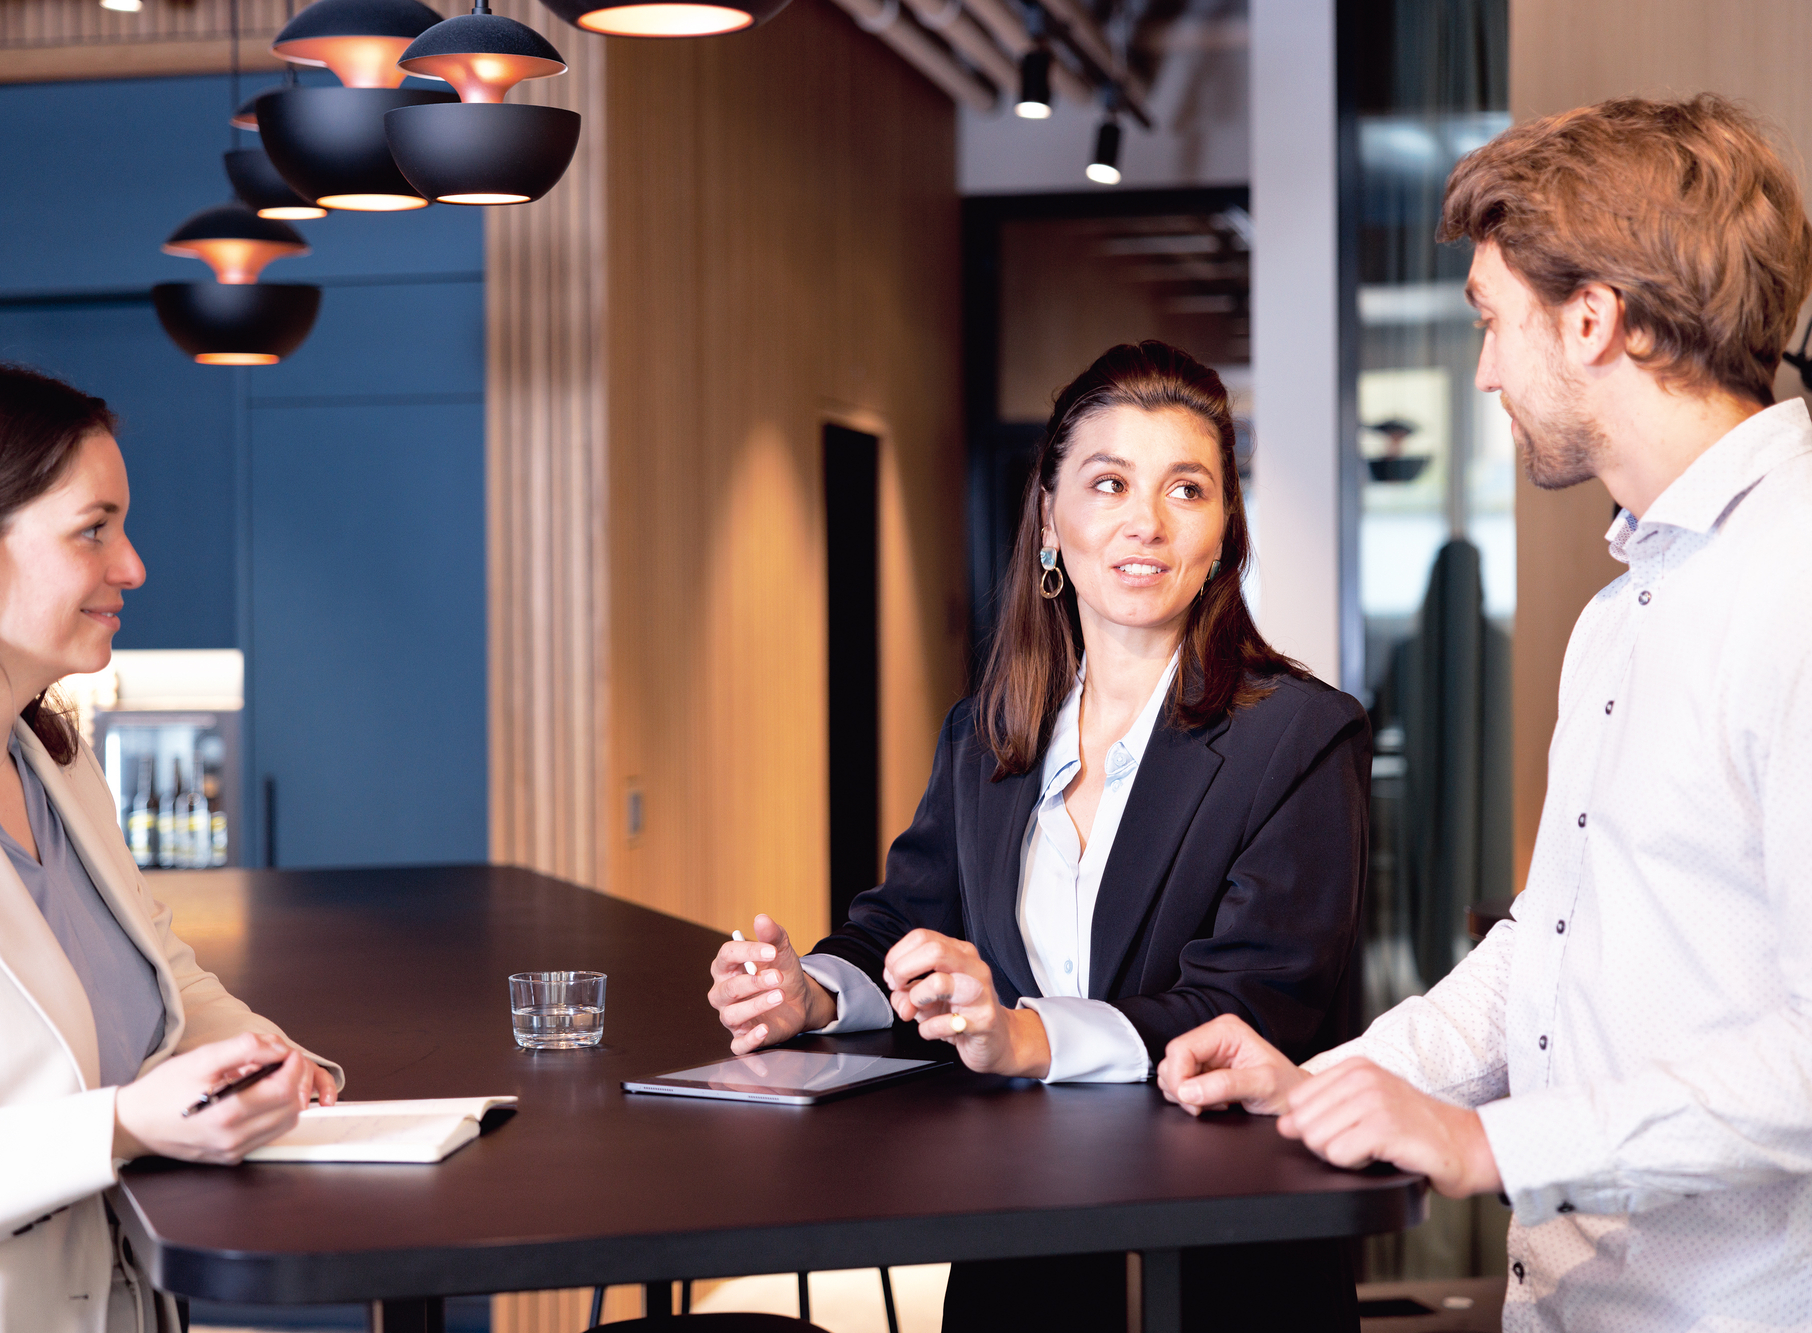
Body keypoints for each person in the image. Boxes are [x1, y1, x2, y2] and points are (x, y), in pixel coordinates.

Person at [1158, 95, 1812, 1331]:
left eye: (1490, 323)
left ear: (1590, 320)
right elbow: (1545, 948)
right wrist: (1327, 1081)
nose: (1483, 372)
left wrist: (1490, 1144)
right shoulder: (1622, 613)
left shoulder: (1796, 584)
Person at [706, 341, 1372, 1331]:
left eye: (1184, 489)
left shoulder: (1301, 737)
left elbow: (1246, 1007)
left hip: (1218, 1257)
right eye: (1107, 483)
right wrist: (812, 992)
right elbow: (900, 921)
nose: (1144, 522)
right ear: (1050, 520)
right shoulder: (988, 735)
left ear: (1223, 528)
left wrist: (1023, 1034)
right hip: (1021, 1243)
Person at [0, 360, 342, 1333]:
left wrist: (286, 1069)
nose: (132, 564)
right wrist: (119, 1127)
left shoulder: (52, 759)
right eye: (93, 530)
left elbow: (168, 984)